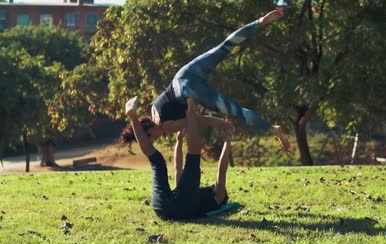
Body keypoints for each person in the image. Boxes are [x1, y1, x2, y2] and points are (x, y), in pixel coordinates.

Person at [121, 8, 290, 150]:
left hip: (189, 90)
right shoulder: (153, 109)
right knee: (224, 47)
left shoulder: (166, 127)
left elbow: (197, 120)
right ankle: (260, 21)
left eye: (153, 139)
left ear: (149, 133)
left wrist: (221, 123)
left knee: (236, 111)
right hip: (184, 74)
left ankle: (273, 129)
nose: (157, 139)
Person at [125, 96, 231, 219]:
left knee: (193, 157)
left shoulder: (219, 196)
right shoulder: (189, 192)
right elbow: (178, 169)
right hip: (161, 208)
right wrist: (179, 140)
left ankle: (190, 108)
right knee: (157, 161)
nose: (211, 185)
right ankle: (133, 117)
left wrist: (227, 140)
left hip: (182, 208)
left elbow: (221, 170)